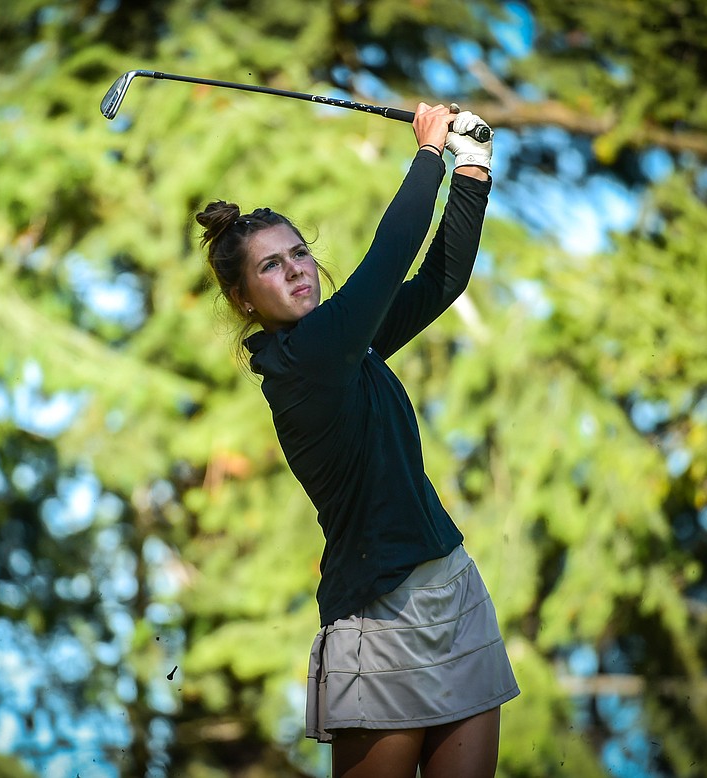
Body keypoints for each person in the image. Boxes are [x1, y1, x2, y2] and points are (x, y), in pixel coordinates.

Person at [194, 103, 519, 778]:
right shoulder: (306, 361)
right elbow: (387, 259)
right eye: (271, 268)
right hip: (379, 617)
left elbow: (440, 281)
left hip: (453, 588)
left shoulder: (350, 346)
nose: (296, 271)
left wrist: (475, 167)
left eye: (300, 253)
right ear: (245, 299)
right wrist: (430, 153)